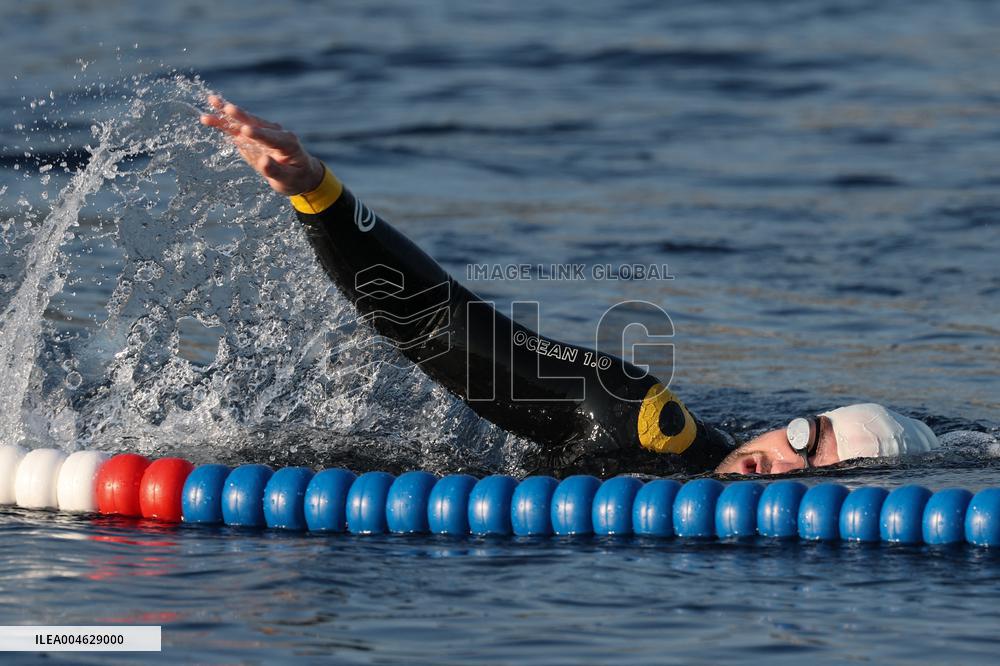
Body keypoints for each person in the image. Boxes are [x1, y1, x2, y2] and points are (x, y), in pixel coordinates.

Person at [199, 96, 941, 477]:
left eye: (816, 476)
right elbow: (439, 324)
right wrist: (317, 193)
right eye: (807, 436)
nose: (778, 462)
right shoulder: (641, 423)